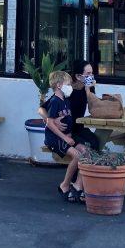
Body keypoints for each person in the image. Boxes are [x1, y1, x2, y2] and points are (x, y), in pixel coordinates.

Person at [43, 70, 85, 203]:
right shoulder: (55, 101)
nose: (70, 87)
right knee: (77, 155)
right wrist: (65, 137)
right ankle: (65, 184)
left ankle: (78, 186)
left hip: (67, 135)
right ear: (59, 85)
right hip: (55, 138)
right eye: (68, 84)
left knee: (86, 152)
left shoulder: (66, 100)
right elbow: (49, 122)